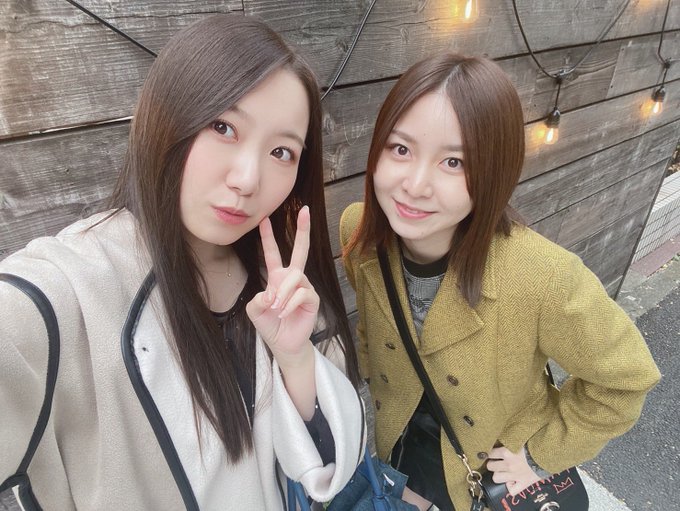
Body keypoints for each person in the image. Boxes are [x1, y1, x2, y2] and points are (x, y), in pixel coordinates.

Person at [0, 14, 364, 510]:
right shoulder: (73, 289)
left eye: (282, 151)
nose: (247, 179)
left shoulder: (281, 287)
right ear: (166, 116)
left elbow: (331, 469)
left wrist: (295, 358)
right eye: (223, 127)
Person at [340, 53, 661, 511]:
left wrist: (538, 456)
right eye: (401, 149)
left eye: (453, 161)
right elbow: (373, 328)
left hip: (485, 467)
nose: (415, 184)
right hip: (403, 446)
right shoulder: (359, 232)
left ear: (495, 172)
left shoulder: (542, 277)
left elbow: (627, 379)